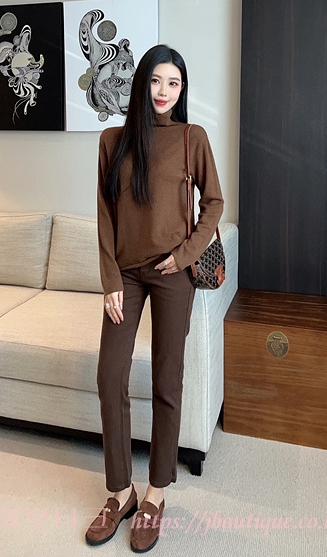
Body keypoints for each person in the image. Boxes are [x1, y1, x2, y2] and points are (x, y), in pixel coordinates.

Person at [85, 44, 224, 552]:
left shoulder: (192, 138)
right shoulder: (112, 140)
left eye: (174, 83)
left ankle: (155, 493)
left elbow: (214, 203)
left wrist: (184, 255)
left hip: (172, 276)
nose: (164, 91)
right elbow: (104, 214)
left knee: (167, 380)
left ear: (181, 90)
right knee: (109, 377)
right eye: (156, 81)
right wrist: (109, 279)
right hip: (125, 274)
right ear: (141, 82)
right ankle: (120, 491)